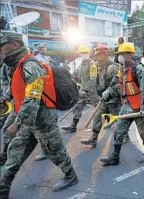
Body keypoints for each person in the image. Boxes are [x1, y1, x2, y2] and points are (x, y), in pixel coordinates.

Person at [0, 31, 78, 199]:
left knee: (55, 150)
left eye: (2, 45)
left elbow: (32, 98)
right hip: (27, 118)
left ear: (14, 44)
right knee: (15, 151)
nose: (0, 50)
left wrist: (17, 123)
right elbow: (15, 89)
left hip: (43, 118)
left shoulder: (31, 65)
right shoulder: (13, 65)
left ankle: (71, 176)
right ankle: (3, 188)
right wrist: (5, 98)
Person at [100, 43, 144, 165]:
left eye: (123, 54)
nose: (121, 57)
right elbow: (118, 86)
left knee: (143, 131)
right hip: (126, 105)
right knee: (119, 129)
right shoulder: (122, 69)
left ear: (130, 54)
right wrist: (109, 91)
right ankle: (115, 156)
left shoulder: (138, 69)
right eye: (120, 54)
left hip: (139, 106)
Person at [80, 43, 130, 147]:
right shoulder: (97, 67)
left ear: (105, 54)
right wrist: (89, 91)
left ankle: (125, 136)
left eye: (99, 55)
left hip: (113, 99)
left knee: (118, 118)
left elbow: (120, 84)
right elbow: (95, 82)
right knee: (98, 117)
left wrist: (109, 92)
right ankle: (93, 138)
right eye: (96, 55)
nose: (97, 57)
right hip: (104, 98)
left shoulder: (112, 67)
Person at [61, 45, 93, 133]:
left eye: (85, 53)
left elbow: (93, 79)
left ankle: (113, 124)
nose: (83, 55)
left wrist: (86, 90)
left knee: (101, 110)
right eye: (82, 53)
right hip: (84, 90)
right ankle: (73, 126)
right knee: (77, 106)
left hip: (93, 91)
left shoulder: (92, 64)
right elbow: (76, 73)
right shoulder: (82, 64)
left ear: (88, 53)